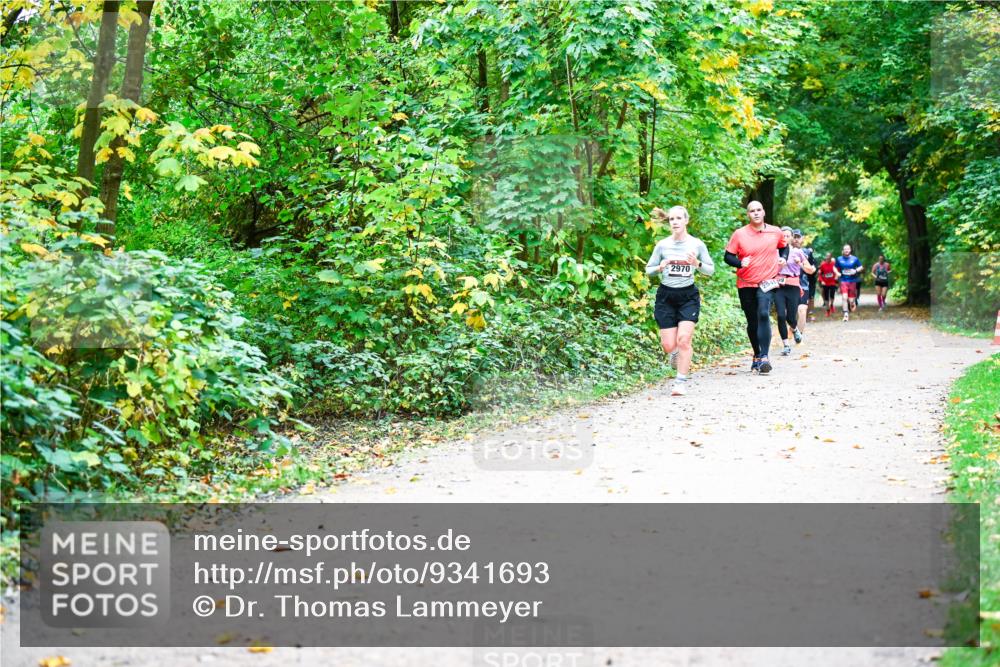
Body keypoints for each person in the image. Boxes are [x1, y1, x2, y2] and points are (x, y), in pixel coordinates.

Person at [646, 206, 715, 396]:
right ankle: (675, 355)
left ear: (686, 221)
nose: (675, 222)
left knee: (684, 339)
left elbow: (710, 269)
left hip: (688, 296)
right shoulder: (662, 245)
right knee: (669, 345)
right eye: (671, 219)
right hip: (666, 296)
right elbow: (648, 269)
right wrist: (659, 267)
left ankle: (680, 382)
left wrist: (697, 264)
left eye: (678, 218)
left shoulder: (697, 244)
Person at [723, 200, 786, 374]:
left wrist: (783, 258)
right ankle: (757, 354)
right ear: (748, 215)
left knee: (764, 313)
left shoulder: (775, 231)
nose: (756, 213)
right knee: (752, 321)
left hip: (767, 280)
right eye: (752, 211)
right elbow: (727, 257)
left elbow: (783, 247)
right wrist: (739, 262)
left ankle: (765, 357)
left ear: (764, 212)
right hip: (745, 282)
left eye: (759, 210)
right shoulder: (739, 234)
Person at [774, 227, 815, 355]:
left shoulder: (798, 252)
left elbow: (811, 270)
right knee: (780, 315)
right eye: (783, 235)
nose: (785, 238)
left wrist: (800, 264)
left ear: (792, 238)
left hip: (793, 286)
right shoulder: (774, 251)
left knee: (791, 316)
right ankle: (786, 345)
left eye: (788, 236)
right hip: (778, 286)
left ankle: (795, 329)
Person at [794, 230, 817, 328]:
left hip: (804, 284)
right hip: (788, 284)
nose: (796, 239)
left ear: (802, 238)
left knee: (802, 310)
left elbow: (814, 267)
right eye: (794, 237)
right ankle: (792, 327)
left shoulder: (808, 252)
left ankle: (799, 335)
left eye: (798, 237)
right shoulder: (784, 251)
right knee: (791, 311)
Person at [834, 244, 863, 321]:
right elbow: (834, 267)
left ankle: (853, 303)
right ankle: (845, 314)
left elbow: (861, 267)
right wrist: (837, 273)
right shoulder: (839, 259)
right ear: (843, 250)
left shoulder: (855, 259)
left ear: (850, 250)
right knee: (844, 297)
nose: (846, 250)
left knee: (851, 300)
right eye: (845, 249)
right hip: (843, 280)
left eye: (848, 249)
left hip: (852, 281)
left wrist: (855, 270)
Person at [817, 252, 840, 316]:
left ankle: (832, 305)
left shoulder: (834, 264)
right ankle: (828, 310)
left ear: (831, 257)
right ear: (825, 257)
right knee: (826, 297)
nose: (828, 257)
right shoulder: (823, 265)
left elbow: (837, 272)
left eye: (829, 256)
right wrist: (822, 281)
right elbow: (819, 274)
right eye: (826, 256)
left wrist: (836, 276)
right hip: (825, 283)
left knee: (832, 295)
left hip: (832, 282)